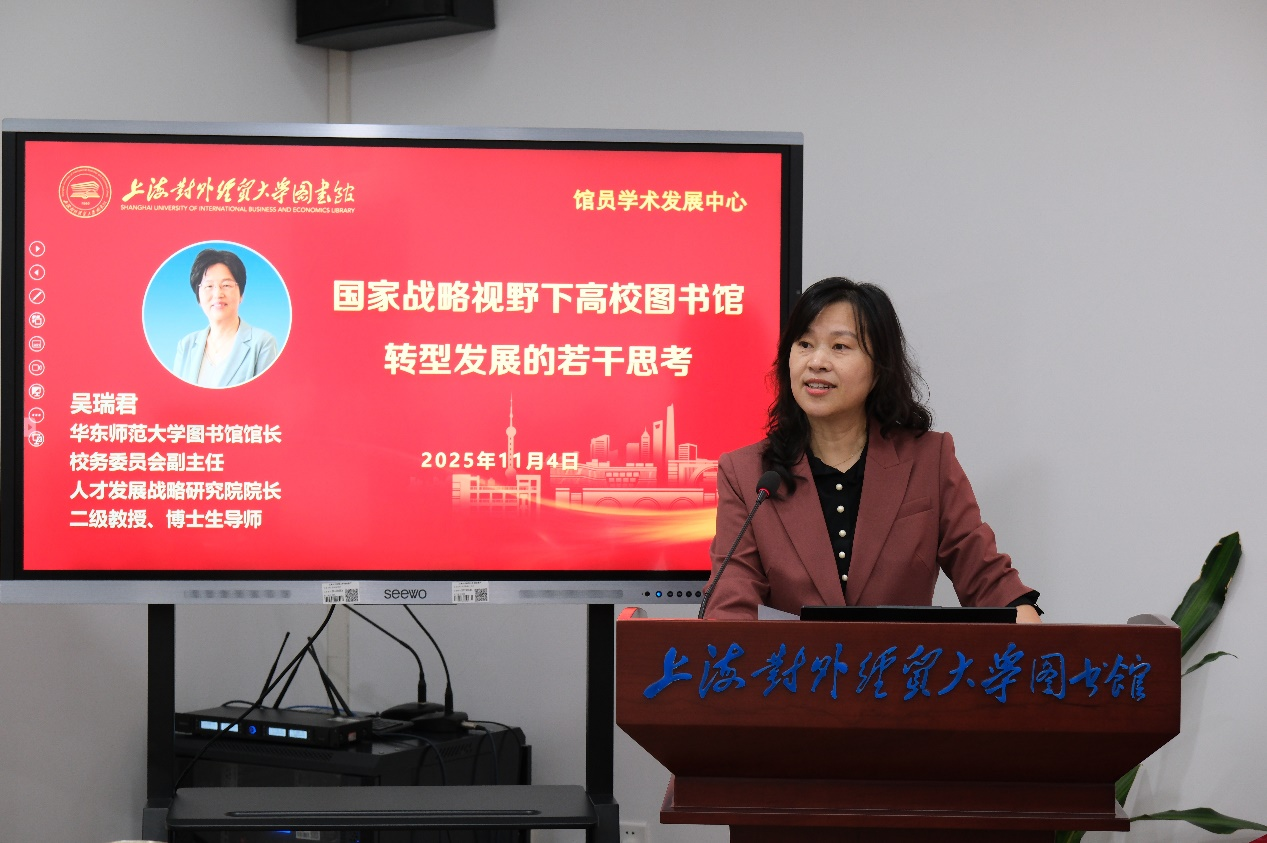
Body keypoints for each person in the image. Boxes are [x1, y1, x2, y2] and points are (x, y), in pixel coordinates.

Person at [704, 277, 1041, 622]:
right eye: (804, 344)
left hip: (902, 658)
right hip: (794, 660)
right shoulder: (748, 474)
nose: (817, 361)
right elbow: (730, 604)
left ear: (879, 368)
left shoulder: (929, 460)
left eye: (840, 346)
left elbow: (987, 578)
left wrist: (1034, 632)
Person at [173, 248, 279, 388]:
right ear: (198, 296)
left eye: (226, 285)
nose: (218, 294)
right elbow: (176, 395)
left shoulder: (262, 343)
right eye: (209, 286)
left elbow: (267, 396)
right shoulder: (186, 345)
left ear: (241, 294)